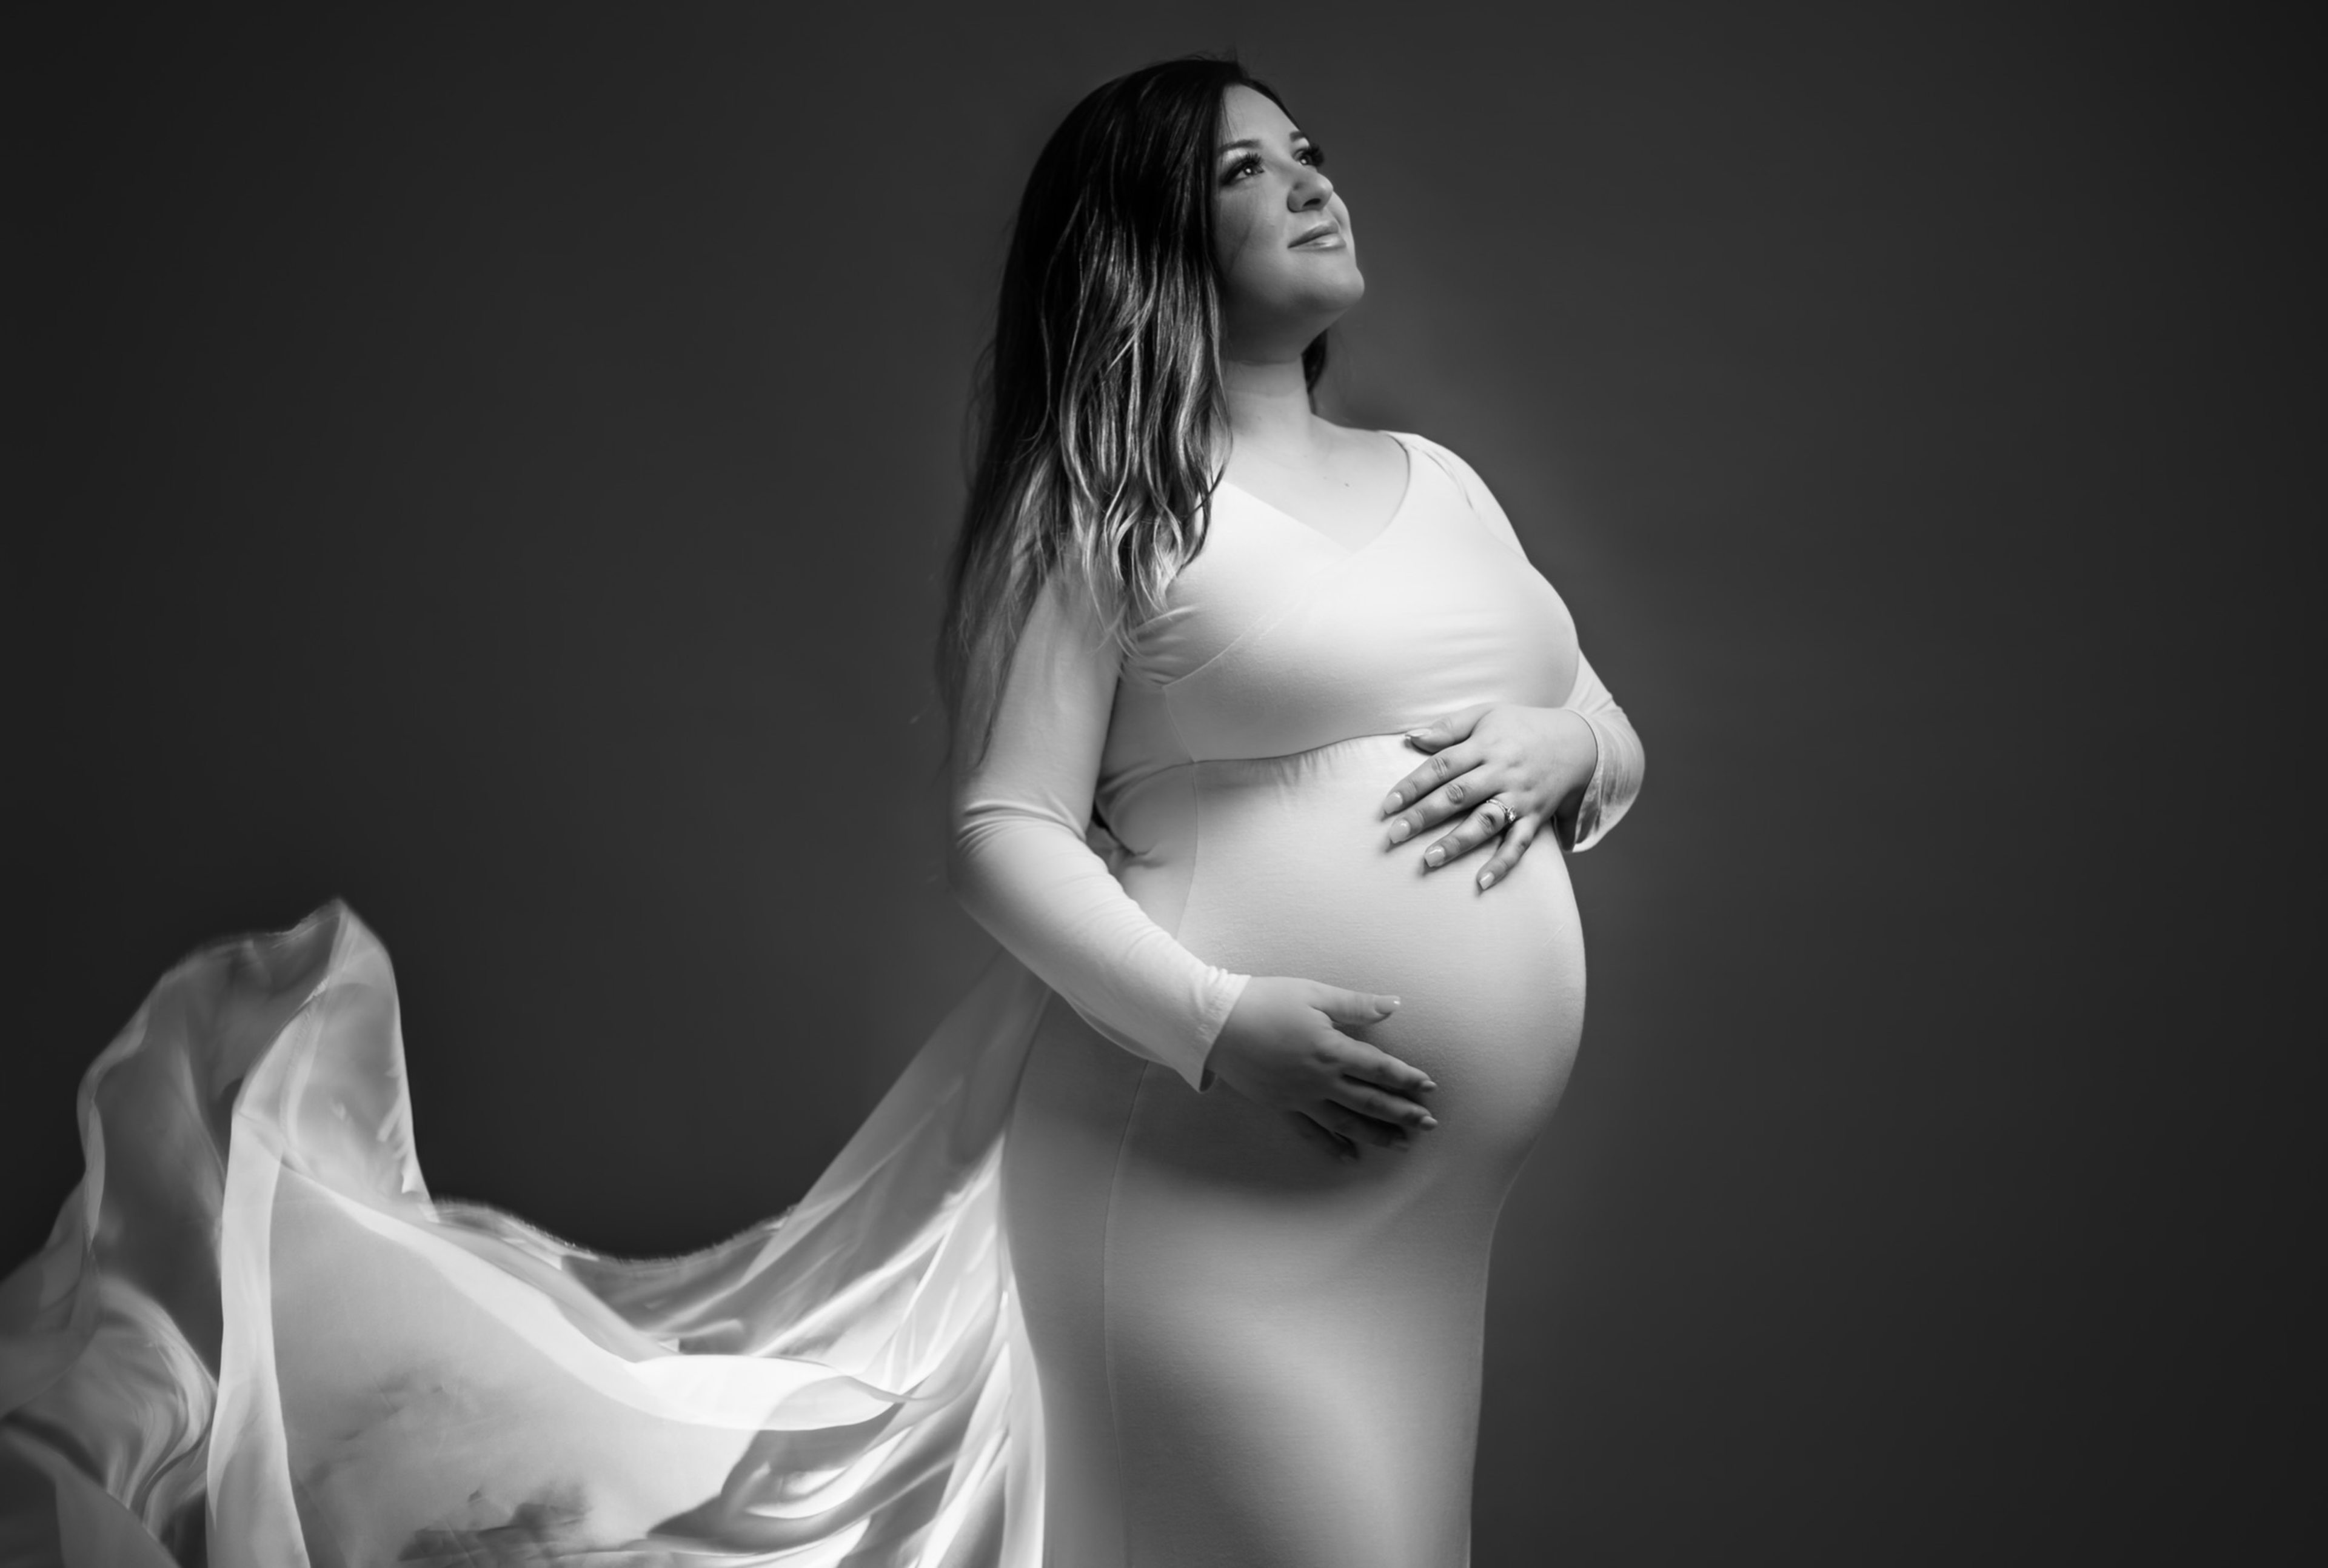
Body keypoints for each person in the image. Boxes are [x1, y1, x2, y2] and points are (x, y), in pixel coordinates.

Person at [0, 54, 1639, 1568]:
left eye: (1310, 153)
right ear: (1144, 232)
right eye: (1242, 170)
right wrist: (1224, 1025)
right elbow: (1003, 833)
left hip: (1420, 1233)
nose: (1307, 182)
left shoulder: (1445, 480)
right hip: (1200, 1183)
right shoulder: (1104, 504)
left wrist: (1572, 756)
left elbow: (1596, 717)